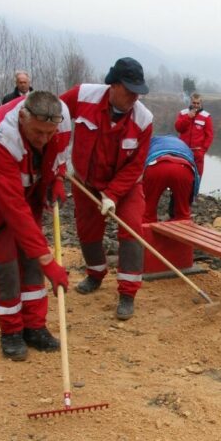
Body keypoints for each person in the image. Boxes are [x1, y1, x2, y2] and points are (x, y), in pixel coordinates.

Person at [0, 90, 71, 361]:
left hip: (26, 179)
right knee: (6, 258)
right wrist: (49, 262)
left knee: (31, 254)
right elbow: (13, 209)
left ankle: (34, 327)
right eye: (37, 133)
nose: (44, 140)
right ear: (22, 118)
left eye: (49, 133)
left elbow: (58, 155)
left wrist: (57, 178)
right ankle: (11, 331)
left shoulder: (62, 122)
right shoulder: (0, 139)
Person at [60, 57, 153, 321]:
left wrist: (112, 195)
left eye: (139, 91)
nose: (135, 96)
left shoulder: (144, 120)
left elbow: (135, 166)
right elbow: (54, 118)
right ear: (113, 84)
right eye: (130, 90)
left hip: (126, 185)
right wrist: (58, 161)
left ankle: (127, 293)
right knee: (88, 230)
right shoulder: (82, 96)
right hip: (85, 181)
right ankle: (95, 274)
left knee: (132, 229)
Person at [141, 135, 200, 223]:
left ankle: (146, 231)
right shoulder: (185, 146)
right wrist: (192, 196)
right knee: (182, 213)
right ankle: (181, 232)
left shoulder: (151, 142)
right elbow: (195, 176)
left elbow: (140, 162)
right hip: (184, 168)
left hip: (157, 165)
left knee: (147, 210)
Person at [175, 93, 214, 176]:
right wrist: (188, 117)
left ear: (201, 103)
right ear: (190, 102)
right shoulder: (183, 113)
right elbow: (178, 128)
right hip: (183, 151)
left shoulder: (206, 116)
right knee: (181, 175)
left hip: (197, 153)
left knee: (197, 176)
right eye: (194, 103)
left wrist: (202, 151)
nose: (196, 105)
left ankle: (195, 189)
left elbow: (209, 136)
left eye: (198, 103)